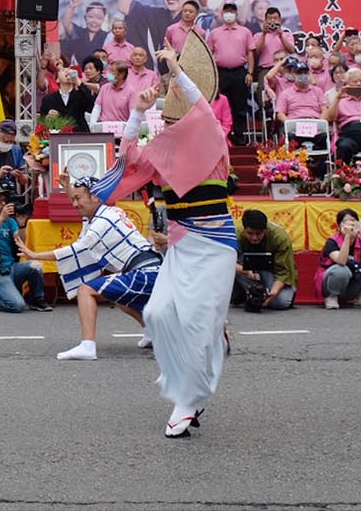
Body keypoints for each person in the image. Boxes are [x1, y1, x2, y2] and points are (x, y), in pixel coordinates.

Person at [132, 41, 237, 438]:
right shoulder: (165, 151)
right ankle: (187, 383)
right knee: (158, 315)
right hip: (180, 246)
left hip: (215, 245)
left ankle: (188, 401)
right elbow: (128, 161)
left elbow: (203, 108)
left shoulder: (213, 139)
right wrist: (137, 111)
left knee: (196, 325)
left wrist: (176, 71)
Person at [20, 176, 159, 359]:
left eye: (77, 199)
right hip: (152, 270)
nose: (75, 204)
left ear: (95, 197)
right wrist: (68, 187)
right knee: (112, 292)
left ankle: (87, 345)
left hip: (145, 273)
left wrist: (35, 255)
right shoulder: (108, 212)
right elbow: (84, 200)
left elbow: (78, 249)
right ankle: (152, 332)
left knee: (86, 290)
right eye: (72, 199)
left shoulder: (102, 222)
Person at [0, 182, 49, 312]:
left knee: (36, 266)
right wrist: (1, 218)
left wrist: (22, 225)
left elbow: (20, 241)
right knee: (17, 306)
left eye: (4, 201)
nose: (3, 204)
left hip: (12, 267)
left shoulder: (9, 221)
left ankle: (37, 299)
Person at [318, 208, 361, 309]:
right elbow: (341, 261)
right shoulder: (332, 242)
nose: (350, 224)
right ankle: (332, 297)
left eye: (353, 221)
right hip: (332, 282)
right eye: (346, 222)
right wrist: (347, 238)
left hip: (355, 282)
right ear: (339, 226)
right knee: (341, 270)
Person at [208, 2, 256, 143]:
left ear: (236, 14)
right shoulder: (215, 33)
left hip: (239, 72)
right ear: (222, 14)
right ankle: (221, 136)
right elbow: (209, 54)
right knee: (219, 105)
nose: (229, 14)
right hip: (220, 73)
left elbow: (250, 53)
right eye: (226, 11)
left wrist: (250, 73)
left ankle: (240, 137)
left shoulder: (245, 32)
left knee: (239, 105)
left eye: (232, 11)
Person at [231, 209, 296, 311]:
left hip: (272, 273)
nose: (254, 238)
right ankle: (246, 292)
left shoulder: (280, 238)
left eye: (258, 233)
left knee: (281, 302)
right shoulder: (235, 235)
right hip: (245, 272)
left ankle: (255, 293)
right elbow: (227, 263)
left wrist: (273, 292)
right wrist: (246, 271)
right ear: (244, 230)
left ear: (265, 230)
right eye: (250, 233)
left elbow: (284, 271)